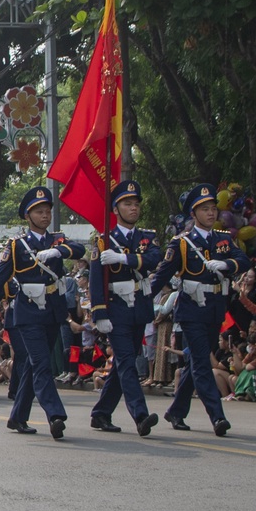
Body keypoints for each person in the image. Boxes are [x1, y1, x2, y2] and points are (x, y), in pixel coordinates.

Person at [0, 186, 78, 438]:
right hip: (28, 312)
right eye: (39, 212)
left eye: (48, 212)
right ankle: (55, 414)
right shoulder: (16, 245)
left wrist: (60, 251)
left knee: (34, 368)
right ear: (28, 216)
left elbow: (79, 250)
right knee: (42, 364)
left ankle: (18, 417)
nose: (45, 216)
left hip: (52, 310)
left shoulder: (58, 240)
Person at [150, 184, 248, 437]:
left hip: (215, 308)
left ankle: (176, 411)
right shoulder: (182, 244)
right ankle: (217, 416)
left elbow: (244, 260)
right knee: (202, 362)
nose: (211, 213)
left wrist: (226, 263)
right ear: (194, 214)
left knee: (196, 361)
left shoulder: (223, 239)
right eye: (205, 209)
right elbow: (162, 274)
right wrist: (140, 302)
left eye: (213, 208)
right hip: (192, 310)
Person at [87, 179, 162, 436]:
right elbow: (96, 282)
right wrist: (99, 313)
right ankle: (140, 416)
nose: (134, 208)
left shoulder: (146, 238)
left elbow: (154, 259)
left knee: (123, 363)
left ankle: (100, 413)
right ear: (116, 209)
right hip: (116, 309)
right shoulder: (103, 241)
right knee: (128, 362)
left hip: (138, 307)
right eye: (127, 204)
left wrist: (124, 258)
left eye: (136, 203)